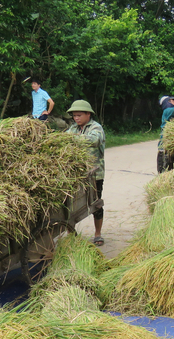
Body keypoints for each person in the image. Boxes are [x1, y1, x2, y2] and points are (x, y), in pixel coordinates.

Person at [66, 100, 105, 246]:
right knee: (71, 205)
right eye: (74, 116)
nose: (76, 118)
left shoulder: (96, 128)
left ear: (88, 114)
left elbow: (94, 140)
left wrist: (72, 139)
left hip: (95, 173)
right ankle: (71, 234)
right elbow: (65, 139)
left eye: (79, 115)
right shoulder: (73, 129)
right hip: (77, 173)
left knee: (96, 204)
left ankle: (98, 234)